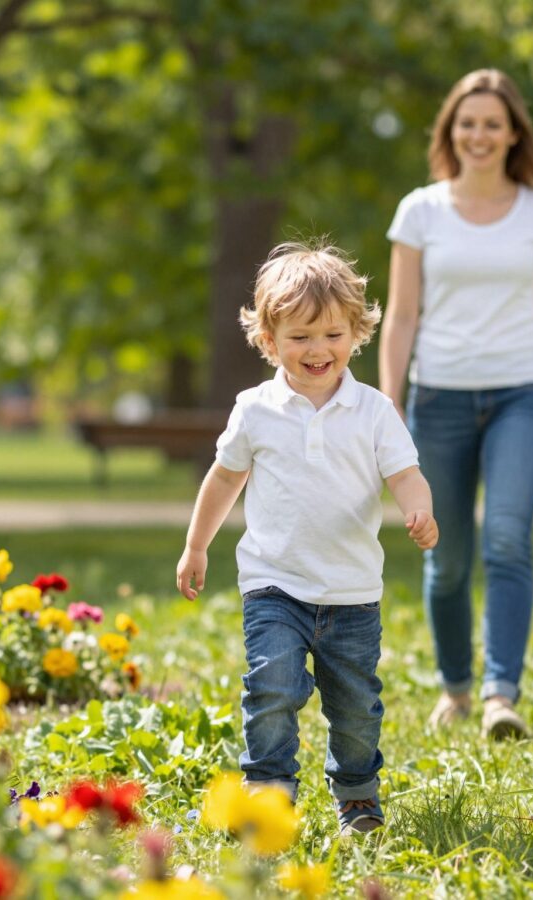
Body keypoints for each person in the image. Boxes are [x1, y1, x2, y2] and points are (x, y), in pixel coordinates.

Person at [176, 242, 439, 835]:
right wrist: (197, 546)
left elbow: (405, 474)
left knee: (355, 709)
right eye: (300, 337)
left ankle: (357, 797)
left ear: (356, 332)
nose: (318, 350)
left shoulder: (375, 411)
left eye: (332, 335)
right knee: (271, 685)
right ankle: (268, 794)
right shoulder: (255, 409)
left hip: (351, 595)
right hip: (274, 584)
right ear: (269, 340)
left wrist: (418, 510)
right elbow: (224, 479)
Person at [379, 69, 533, 740]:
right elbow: (401, 317)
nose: (480, 135)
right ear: (450, 132)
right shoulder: (420, 211)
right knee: (447, 558)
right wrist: (387, 409)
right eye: (468, 123)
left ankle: (501, 694)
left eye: (494, 123)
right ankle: (456, 688)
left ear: (514, 132)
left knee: (506, 539)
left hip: (523, 395)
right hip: (437, 397)